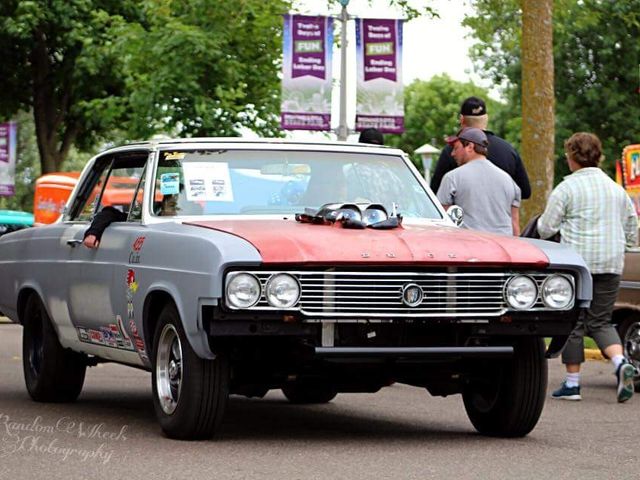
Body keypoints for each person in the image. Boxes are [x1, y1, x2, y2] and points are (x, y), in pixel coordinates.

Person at [538, 132, 638, 403]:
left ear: (571, 157)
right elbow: (632, 231)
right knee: (601, 321)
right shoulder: (617, 190)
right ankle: (620, 364)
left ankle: (572, 384)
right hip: (610, 262)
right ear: (599, 156)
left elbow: (546, 228)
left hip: (577, 264)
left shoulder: (566, 189)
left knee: (574, 322)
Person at [430, 96, 531, 199]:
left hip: (465, 213)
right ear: (486, 118)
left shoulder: (453, 150)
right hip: (501, 214)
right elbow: (525, 192)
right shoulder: (508, 150)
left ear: (461, 119)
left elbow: (435, 192)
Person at [436, 127, 521, 236]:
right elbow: (515, 226)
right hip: (503, 246)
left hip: (468, 246)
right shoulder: (509, 181)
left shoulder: (452, 178)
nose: (452, 153)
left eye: (456, 148)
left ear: (470, 147)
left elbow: (442, 222)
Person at [83, 194, 179, 249]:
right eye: (172, 206)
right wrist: (93, 232)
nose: (176, 211)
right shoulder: (146, 219)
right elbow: (109, 213)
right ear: (162, 207)